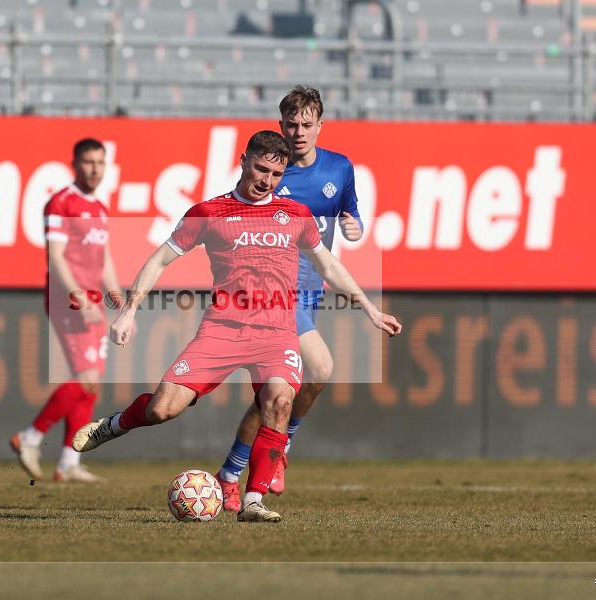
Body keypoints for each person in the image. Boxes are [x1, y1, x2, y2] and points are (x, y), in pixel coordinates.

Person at [71, 131, 401, 522]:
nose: (267, 180)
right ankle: (113, 425)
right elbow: (160, 260)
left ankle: (253, 501)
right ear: (244, 160)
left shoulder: (295, 215)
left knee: (280, 402)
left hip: (277, 333)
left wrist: (369, 308)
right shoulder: (209, 213)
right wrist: (129, 311)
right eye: (261, 168)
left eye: (277, 174)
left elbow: (328, 265)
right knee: (162, 409)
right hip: (222, 330)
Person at [215, 85, 370, 511]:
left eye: (306, 124)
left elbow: (349, 211)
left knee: (276, 395)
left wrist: (353, 225)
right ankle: (278, 448)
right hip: (272, 293)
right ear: (280, 124)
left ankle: (231, 473)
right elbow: (238, 215)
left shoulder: (339, 168)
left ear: (320, 126)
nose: (298, 132)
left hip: (311, 292)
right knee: (319, 367)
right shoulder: (271, 170)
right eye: (291, 124)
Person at [10, 138, 122, 483]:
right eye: (88, 162)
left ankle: (68, 462)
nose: (94, 169)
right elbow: (55, 256)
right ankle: (30, 437)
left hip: (90, 297)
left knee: (91, 385)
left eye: (100, 163)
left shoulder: (100, 208)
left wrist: (115, 291)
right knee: (86, 379)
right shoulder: (61, 202)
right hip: (69, 297)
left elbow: (102, 257)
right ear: (74, 164)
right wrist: (80, 296)